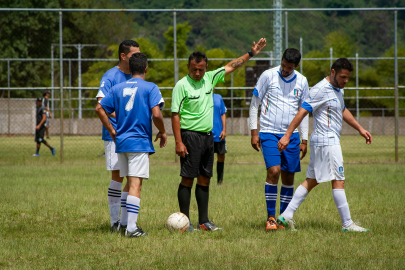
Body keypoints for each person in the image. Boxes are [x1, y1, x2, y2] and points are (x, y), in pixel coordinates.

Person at [171, 38, 267, 231]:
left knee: (205, 178)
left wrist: (251, 54)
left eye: (201, 69)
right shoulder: (181, 86)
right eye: (193, 69)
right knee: (188, 178)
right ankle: (185, 223)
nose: (197, 73)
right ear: (188, 67)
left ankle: (204, 222)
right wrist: (179, 142)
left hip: (208, 138)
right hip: (189, 137)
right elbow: (175, 115)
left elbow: (231, 66)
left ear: (206, 68)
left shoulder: (210, 78)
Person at [277, 58, 372, 232]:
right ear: (333, 72)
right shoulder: (320, 89)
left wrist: (360, 128)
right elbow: (302, 111)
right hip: (327, 142)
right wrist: (287, 135)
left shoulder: (337, 89)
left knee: (311, 181)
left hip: (325, 142)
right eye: (343, 77)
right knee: (338, 181)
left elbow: (342, 110)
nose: (345, 81)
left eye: (348, 78)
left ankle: (286, 215)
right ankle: (347, 224)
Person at [96, 53, 166, 237]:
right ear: (145, 69)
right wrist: (163, 131)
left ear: (130, 68)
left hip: (122, 142)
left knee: (128, 183)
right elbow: (157, 114)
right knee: (135, 185)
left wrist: (112, 130)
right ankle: (132, 229)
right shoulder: (150, 87)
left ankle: (124, 224)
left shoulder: (118, 88)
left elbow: (99, 108)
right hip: (139, 141)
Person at [249, 48, 309, 232]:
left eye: (289, 68)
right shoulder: (267, 75)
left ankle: (284, 218)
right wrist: (254, 131)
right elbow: (254, 104)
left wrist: (304, 139)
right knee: (274, 171)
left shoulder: (302, 81)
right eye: (283, 65)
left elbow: (304, 111)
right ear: (281, 60)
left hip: (291, 136)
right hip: (268, 132)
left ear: (296, 66)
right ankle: (271, 218)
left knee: (288, 177)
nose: (285, 70)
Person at [95, 40, 140, 232]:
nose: (136, 58)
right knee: (118, 178)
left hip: (133, 136)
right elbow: (101, 105)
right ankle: (115, 222)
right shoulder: (111, 76)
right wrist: (120, 119)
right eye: (133, 55)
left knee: (133, 180)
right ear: (123, 56)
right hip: (115, 135)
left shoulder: (136, 75)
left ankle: (125, 223)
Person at [212, 93, 227, 185]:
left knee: (221, 157)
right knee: (206, 158)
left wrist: (224, 130)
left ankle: (220, 182)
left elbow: (223, 114)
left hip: (219, 134)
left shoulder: (219, 97)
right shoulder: (202, 96)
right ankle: (205, 181)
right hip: (206, 134)